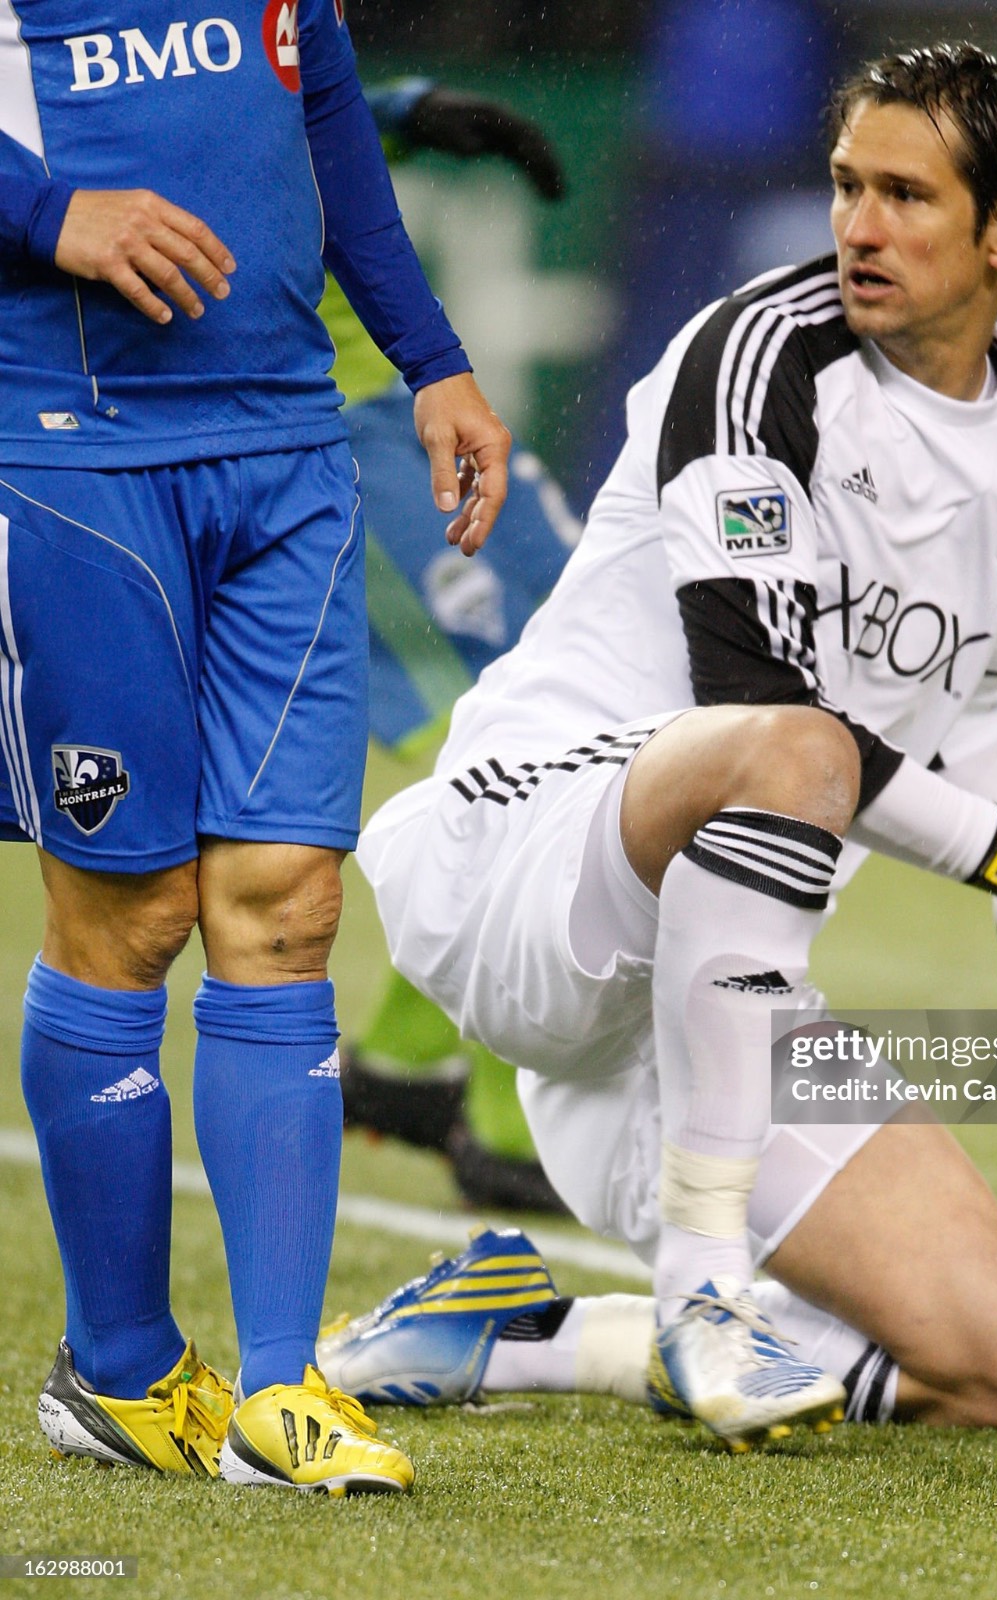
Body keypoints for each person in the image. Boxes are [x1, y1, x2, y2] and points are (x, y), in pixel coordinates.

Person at [339, 43, 997, 1449]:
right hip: (523, 858)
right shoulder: (758, 355)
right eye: (845, 186)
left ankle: (527, 1335)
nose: (859, 227)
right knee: (790, 744)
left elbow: (967, 702)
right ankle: (703, 1277)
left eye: (905, 196)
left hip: (709, 1011)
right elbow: (762, 709)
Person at [0, 1, 511, 1494]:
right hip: (71, 455)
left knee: (286, 904)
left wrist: (432, 359)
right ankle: (119, 1367)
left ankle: (283, 1389)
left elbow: (326, 124)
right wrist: (46, 209)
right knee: (130, 911)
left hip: (288, 451)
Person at [327, 80, 576, 1214]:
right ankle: (503, 1123)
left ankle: (394, 1063)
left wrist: (401, 105)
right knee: (505, 759)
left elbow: (265, 81)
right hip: (319, 422)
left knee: (585, 702)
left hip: (399, 401)